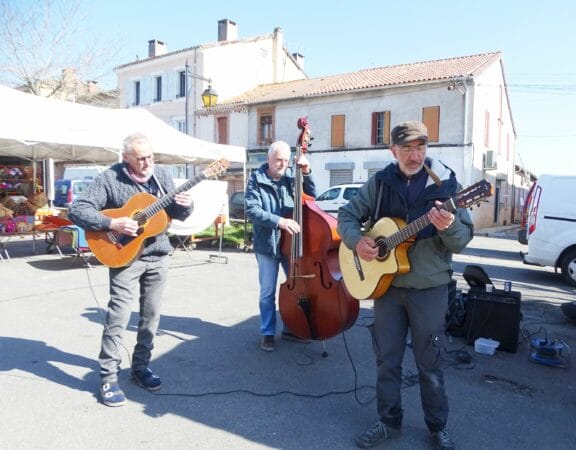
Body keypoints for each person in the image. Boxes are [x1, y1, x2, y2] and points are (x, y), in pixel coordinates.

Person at [337, 121, 473, 449]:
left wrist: (450, 224)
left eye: (420, 147)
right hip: (388, 287)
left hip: (429, 288)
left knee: (430, 361)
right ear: (393, 150)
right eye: (407, 148)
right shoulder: (381, 182)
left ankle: (437, 427)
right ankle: (388, 422)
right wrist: (357, 243)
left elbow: (463, 240)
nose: (414, 155)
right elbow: (346, 216)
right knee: (387, 359)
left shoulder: (447, 184)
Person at [68, 132, 194, 407]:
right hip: (124, 257)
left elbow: (175, 213)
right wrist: (111, 224)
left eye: (150, 156)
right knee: (118, 317)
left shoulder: (161, 175)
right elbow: (77, 210)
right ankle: (108, 377)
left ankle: (140, 368)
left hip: (158, 256)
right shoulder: (110, 178)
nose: (148, 162)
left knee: (151, 317)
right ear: (126, 158)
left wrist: (187, 205)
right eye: (141, 158)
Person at [245, 140, 316, 352]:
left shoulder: (291, 178)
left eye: (286, 160)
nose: (283, 164)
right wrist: (280, 221)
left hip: (290, 244)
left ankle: (291, 328)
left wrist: (306, 171)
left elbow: (311, 196)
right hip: (267, 244)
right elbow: (252, 210)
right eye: (278, 160)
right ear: (269, 159)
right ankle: (267, 333)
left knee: (296, 289)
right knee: (267, 292)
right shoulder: (256, 180)